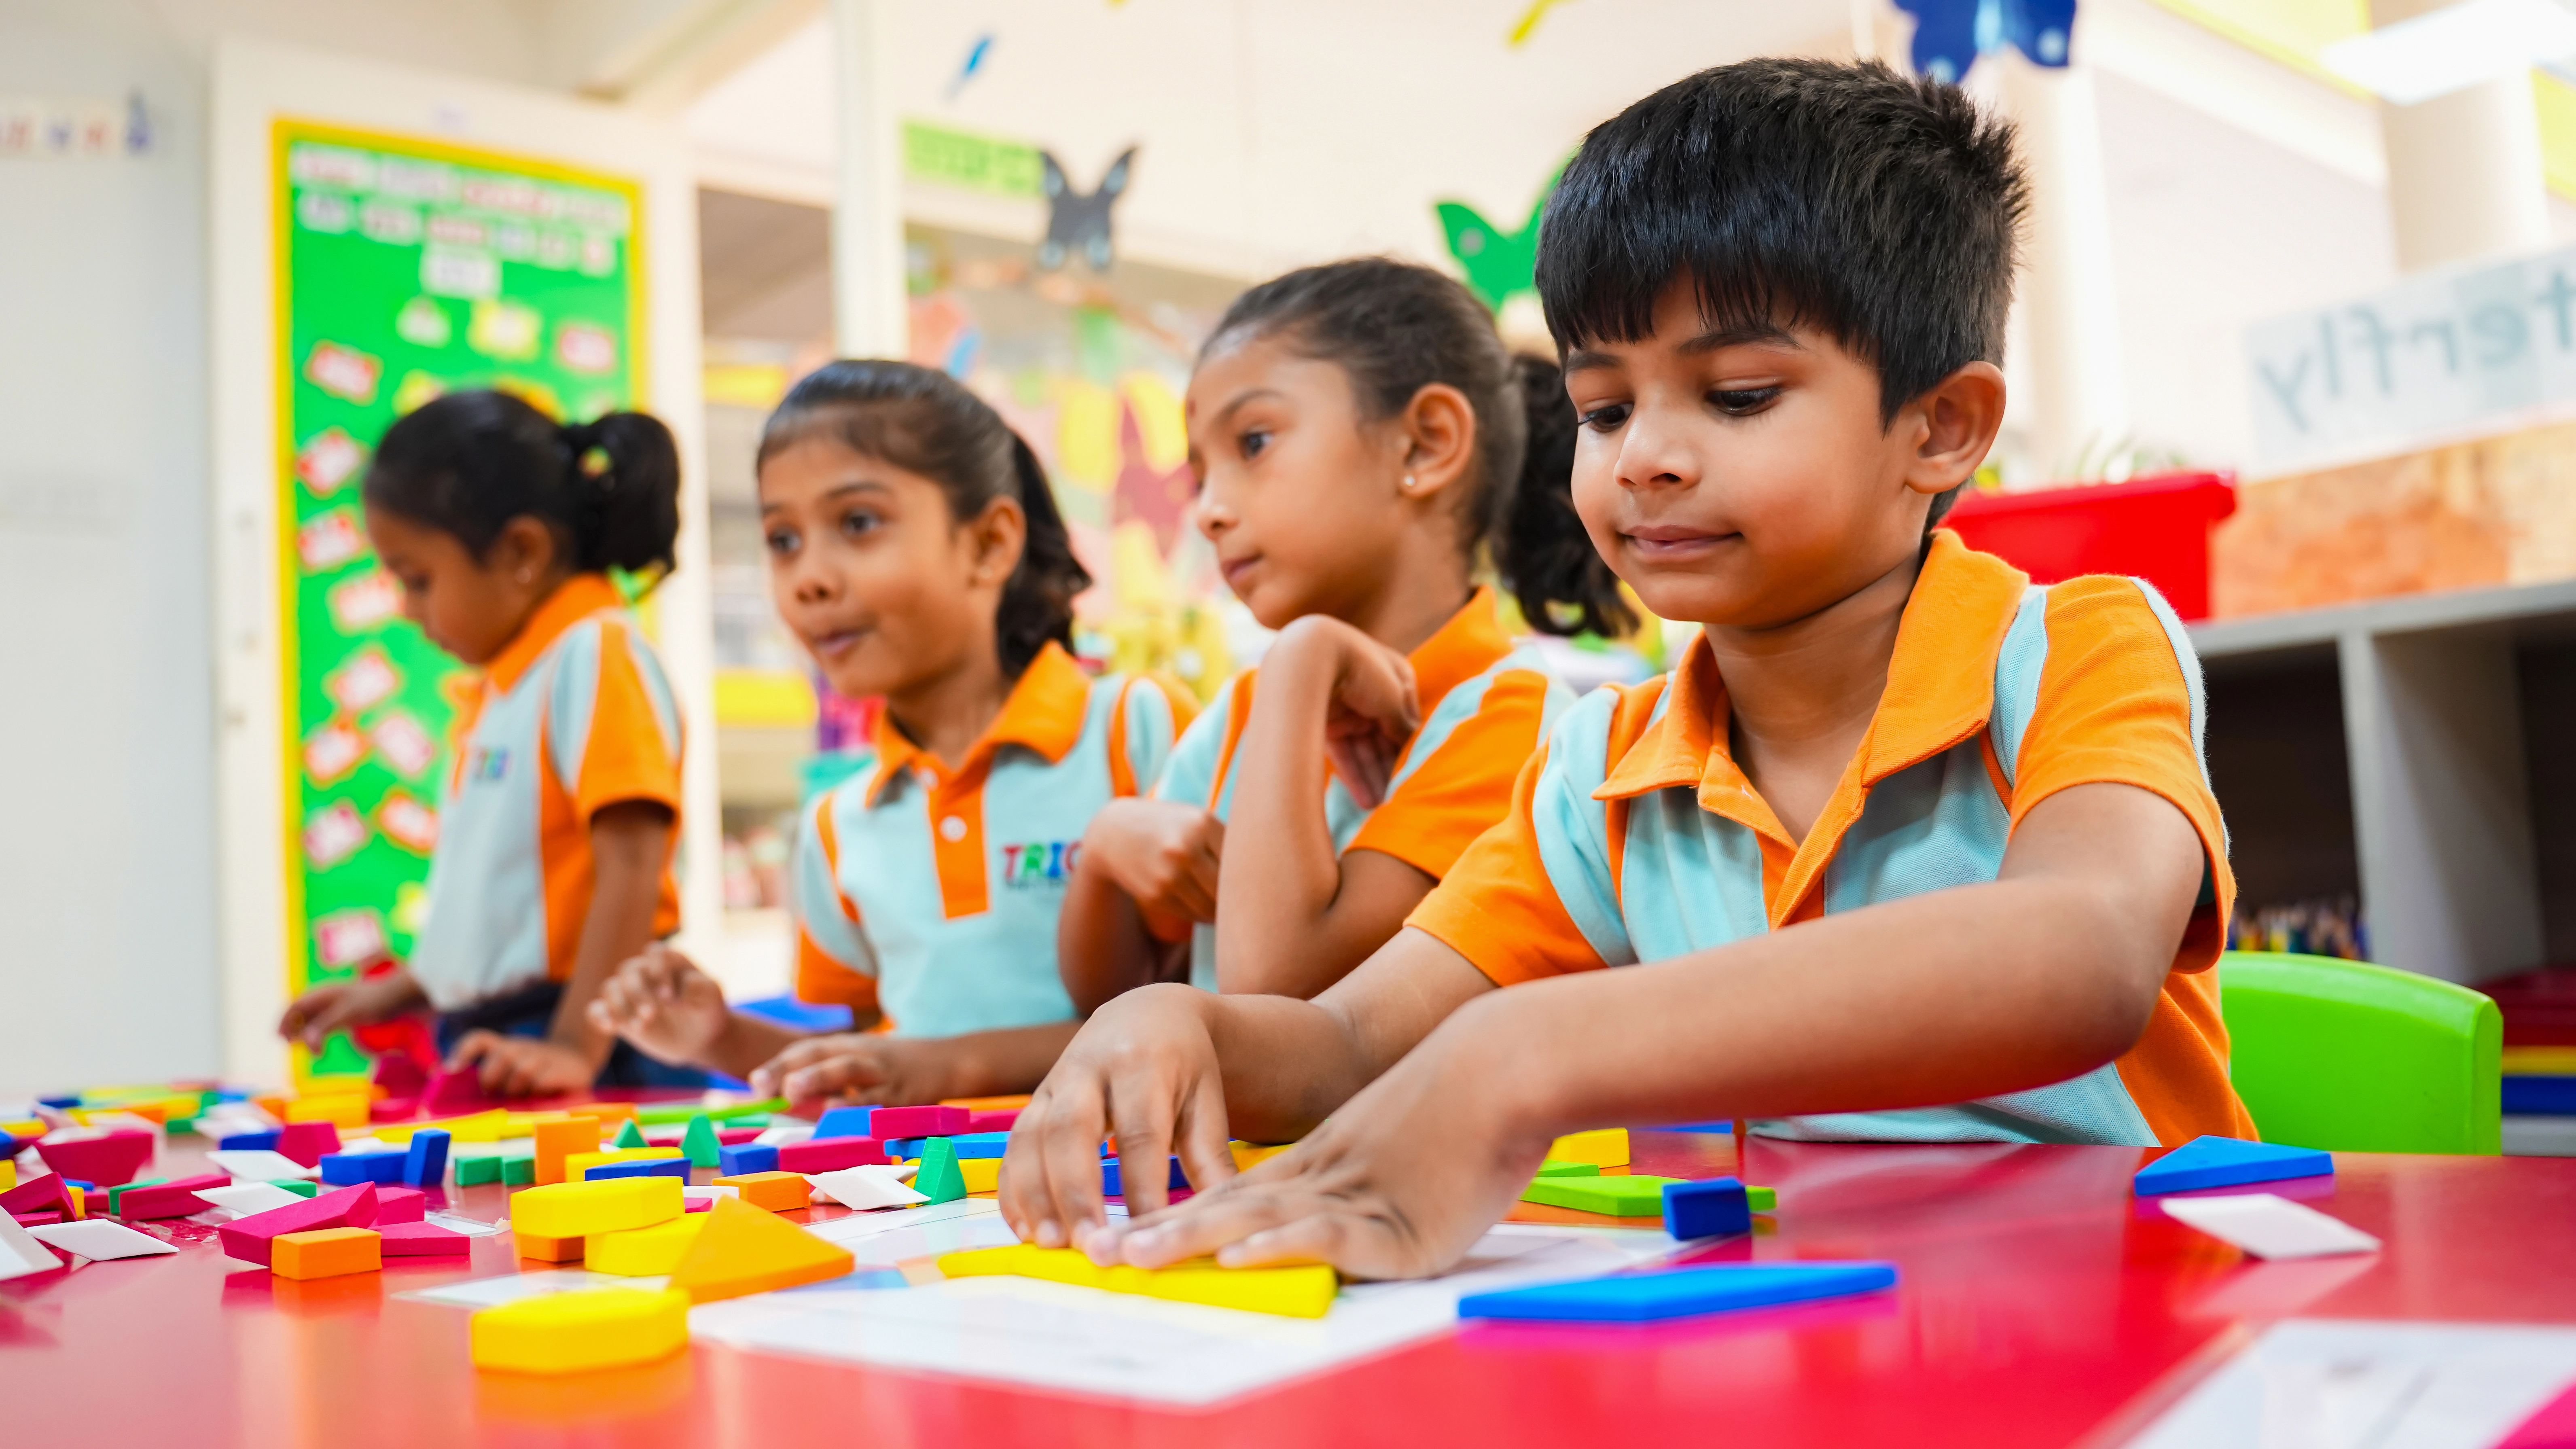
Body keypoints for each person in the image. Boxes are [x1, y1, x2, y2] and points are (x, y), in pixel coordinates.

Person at [1000, 58, 2256, 1281]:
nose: (1645, 455)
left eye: (1740, 394)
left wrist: (1529, 1045)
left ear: (1941, 427)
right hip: (1843, 1316)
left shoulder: (2075, 644)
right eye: (1604, 409)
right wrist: (1175, 1023)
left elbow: (2079, 951)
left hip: (2152, 1298)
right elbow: (1343, 1039)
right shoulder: (1602, 771)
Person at [588, 360, 1191, 1104]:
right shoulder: (838, 825)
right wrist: (723, 1037)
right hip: (936, 1207)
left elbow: (1218, 1000)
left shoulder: (1136, 728)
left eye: (858, 523)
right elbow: (883, 1060)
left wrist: (954, 1067)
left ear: (989, 545)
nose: (809, 577)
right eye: (783, 539)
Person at [1056, 258, 1626, 1009]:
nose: (1208, 512)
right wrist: (1103, 850)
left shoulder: (1515, 724)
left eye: (1253, 443)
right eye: (1201, 477)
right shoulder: (1240, 715)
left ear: (1425, 444)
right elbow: (1116, 995)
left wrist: (1301, 664)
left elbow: (1278, 991)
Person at [277, 390, 695, 1096]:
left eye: (418, 580)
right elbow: (508, 909)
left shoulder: (592, 654)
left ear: (521, 552)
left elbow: (631, 862)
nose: (409, 610)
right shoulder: (503, 688)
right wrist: (405, 987)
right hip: (508, 1032)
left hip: (577, 1032)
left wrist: (574, 1044)